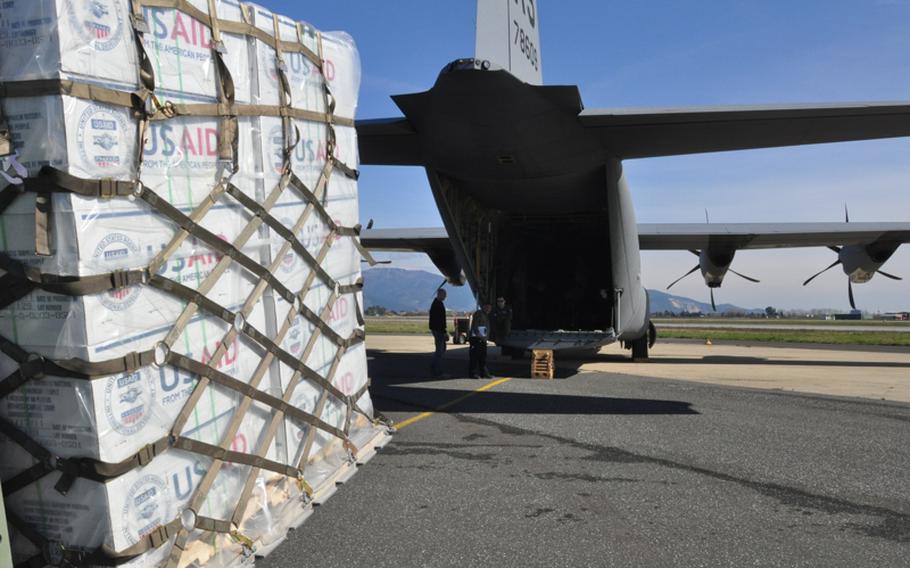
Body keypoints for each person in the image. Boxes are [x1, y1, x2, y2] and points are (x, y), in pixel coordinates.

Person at [468, 301, 493, 379]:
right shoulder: (479, 314)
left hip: (482, 339)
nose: (489, 309)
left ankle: (483, 373)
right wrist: (479, 335)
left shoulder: (486, 315)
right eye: (487, 307)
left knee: (482, 357)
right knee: (475, 357)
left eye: (490, 308)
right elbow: (475, 326)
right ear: (483, 307)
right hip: (477, 339)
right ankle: (473, 373)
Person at [428, 289, 448, 377]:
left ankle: (433, 368)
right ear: (439, 294)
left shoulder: (437, 303)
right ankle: (437, 372)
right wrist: (443, 331)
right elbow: (439, 321)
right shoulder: (437, 304)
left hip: (438, 330)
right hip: (438, 330)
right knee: (439, 352)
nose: (445, 296)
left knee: (441, 349)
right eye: (444, 294)